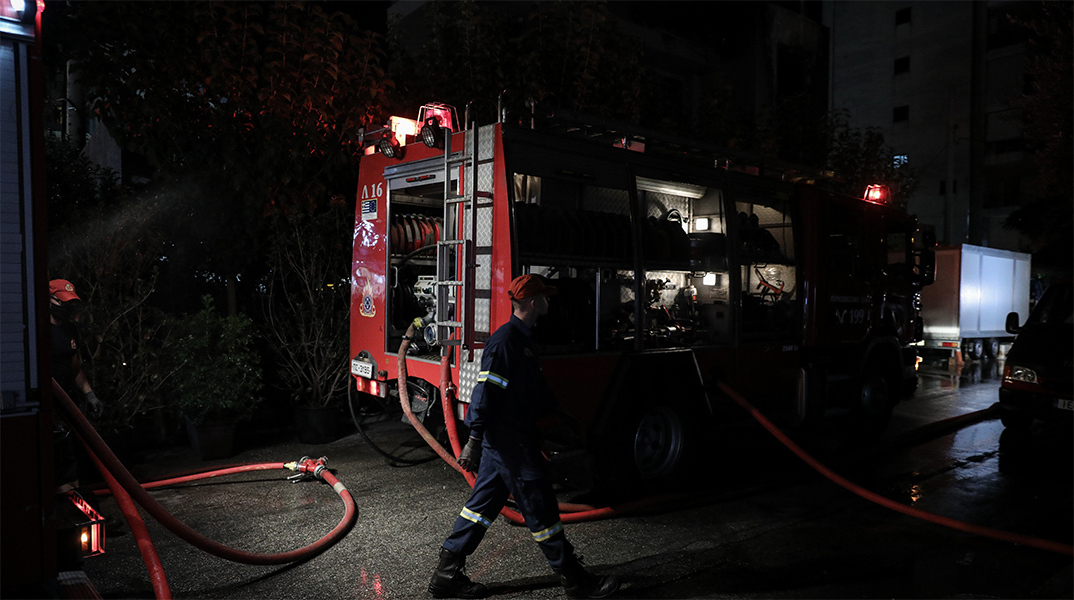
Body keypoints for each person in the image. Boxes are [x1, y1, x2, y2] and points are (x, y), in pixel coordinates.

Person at [428, 274, 619, 599]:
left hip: (504, 445)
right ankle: (576, 582)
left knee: (480, 508)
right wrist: (473, 442)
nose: (549, 301)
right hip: (511, 445)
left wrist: (562, 414)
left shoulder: (522, 339)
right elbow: (485, 394)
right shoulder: (506, 342)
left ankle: (446, 575)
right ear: (533, 303)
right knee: (541, 510)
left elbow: (534, 387)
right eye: (545, 297)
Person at [49, 279, 103, 493]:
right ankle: (67, 500)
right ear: (49, 299)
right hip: (50, 403)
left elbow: (74, 366)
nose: (68, 307)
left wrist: (89, 394)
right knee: (60, 453)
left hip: (69, 400)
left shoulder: (70, 329)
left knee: (75, 451)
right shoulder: (39, 331)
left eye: (71, 303)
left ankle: (78, 497)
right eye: (63, 302)